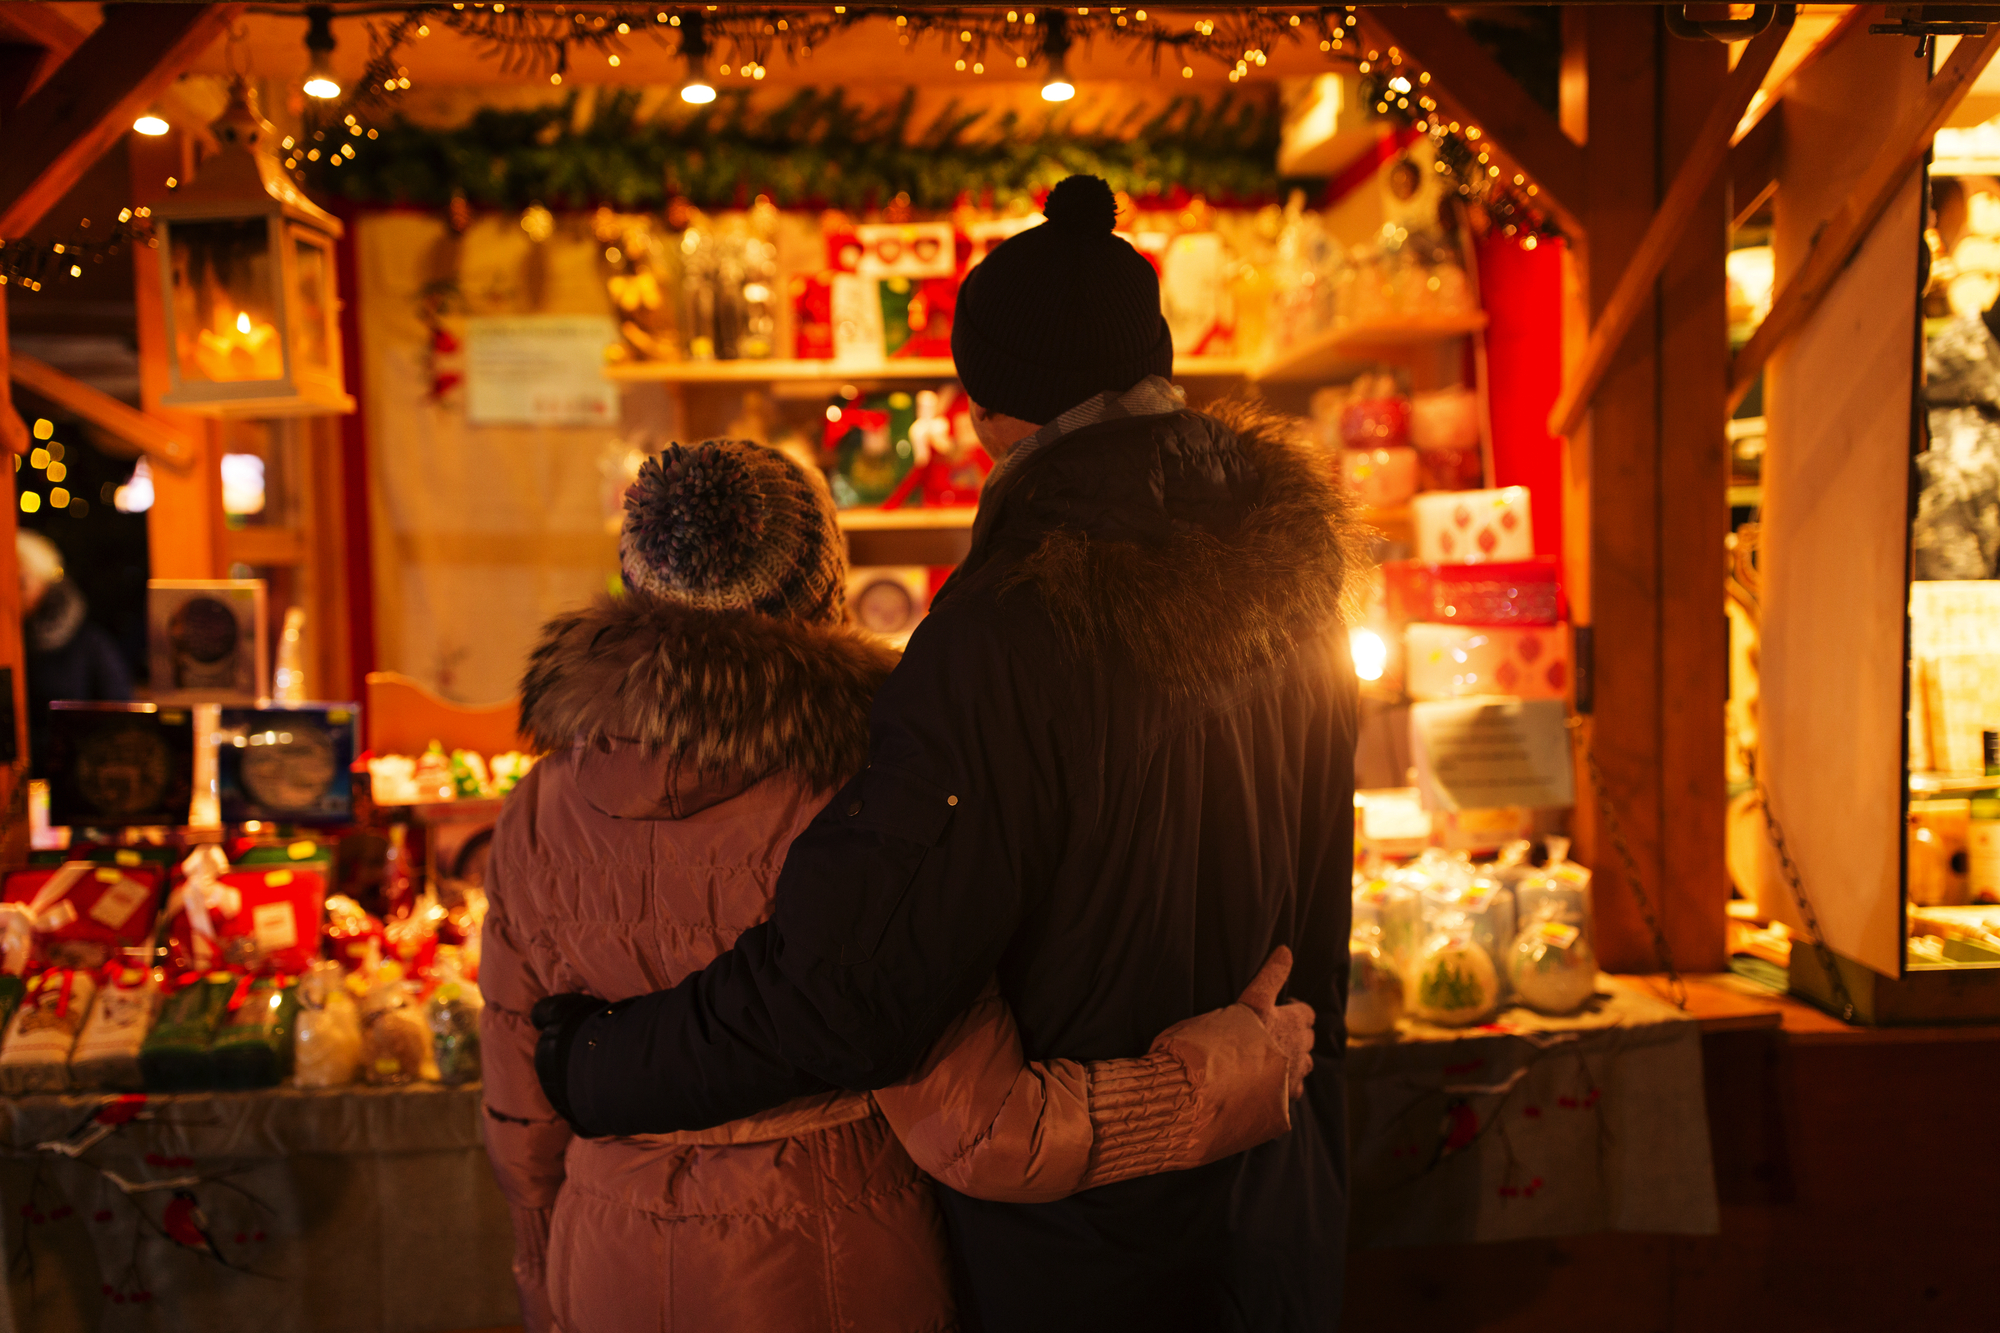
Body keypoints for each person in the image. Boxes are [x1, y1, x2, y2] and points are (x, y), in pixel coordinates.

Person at [533, 173, 1363, 1330]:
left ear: (986, 415)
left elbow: (855, 987)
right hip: (1272, 1216)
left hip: (1079, 1259)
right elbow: (1321, 924)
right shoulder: (1298, 574)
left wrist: (597, 1067)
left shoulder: (1007, 626)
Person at [481, 439, 1320, 1332]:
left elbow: (517, 1107)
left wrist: (543, 1273)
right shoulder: (865, 801)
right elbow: (984, 1131)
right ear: (824, 593)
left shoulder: (538, 807)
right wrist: (1209, 1084)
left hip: (603, 1260)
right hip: (824, 1266)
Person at [18, 530, 132, 767]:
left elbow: (121, 712)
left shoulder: (87, 642)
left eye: (21, 581)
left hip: (77, 771)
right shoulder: (12, 641)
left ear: (43, 582)